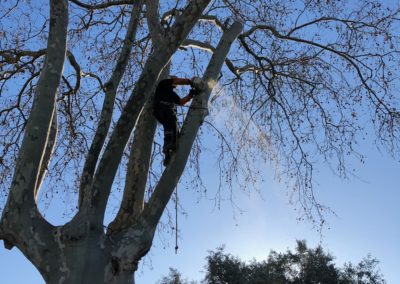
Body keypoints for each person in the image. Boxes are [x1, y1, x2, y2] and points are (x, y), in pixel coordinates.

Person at [153, 76, 198, 166]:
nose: (176, 84)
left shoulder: (171, 94)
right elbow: (177, 80)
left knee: (171, 129)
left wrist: (190, 95)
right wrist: (190, 81)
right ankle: (170, 144)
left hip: (161, 112)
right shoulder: (164, 83)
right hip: (163, 109)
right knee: (172, 123)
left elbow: (181, 102)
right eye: (175, 82)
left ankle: (168, 153)